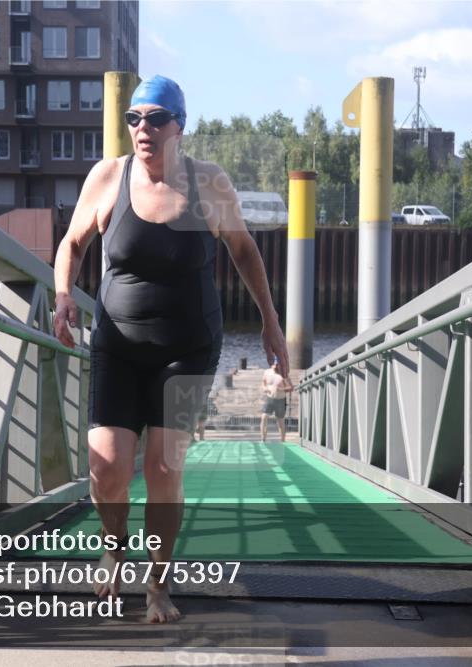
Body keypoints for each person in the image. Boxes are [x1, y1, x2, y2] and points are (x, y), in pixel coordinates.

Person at [52, 75, 289, 623]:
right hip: (118, 344)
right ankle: (115, 546)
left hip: (188, 348)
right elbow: (72, 243)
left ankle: (158, 585)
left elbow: (245, 252)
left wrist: (270, 323)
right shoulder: (109, 176)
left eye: (155, 119)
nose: (143, 129)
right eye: (134, 118)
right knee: (106, 467)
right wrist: (64, 294)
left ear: (180, 126)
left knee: (162, 465)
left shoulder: (209, 185)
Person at [260, 357, 293, 442]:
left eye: (277, 365)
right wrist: (265, 388)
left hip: (280, 400)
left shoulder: (283, 375)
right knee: (264, 417)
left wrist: (281, 389)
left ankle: (282, 440)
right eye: (274, 364)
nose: (275, 366)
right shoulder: (267, 372)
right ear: (272, 364)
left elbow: (291, 388)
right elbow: (263, 383)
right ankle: (263, 438)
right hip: (269, 398)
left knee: (280, 421)